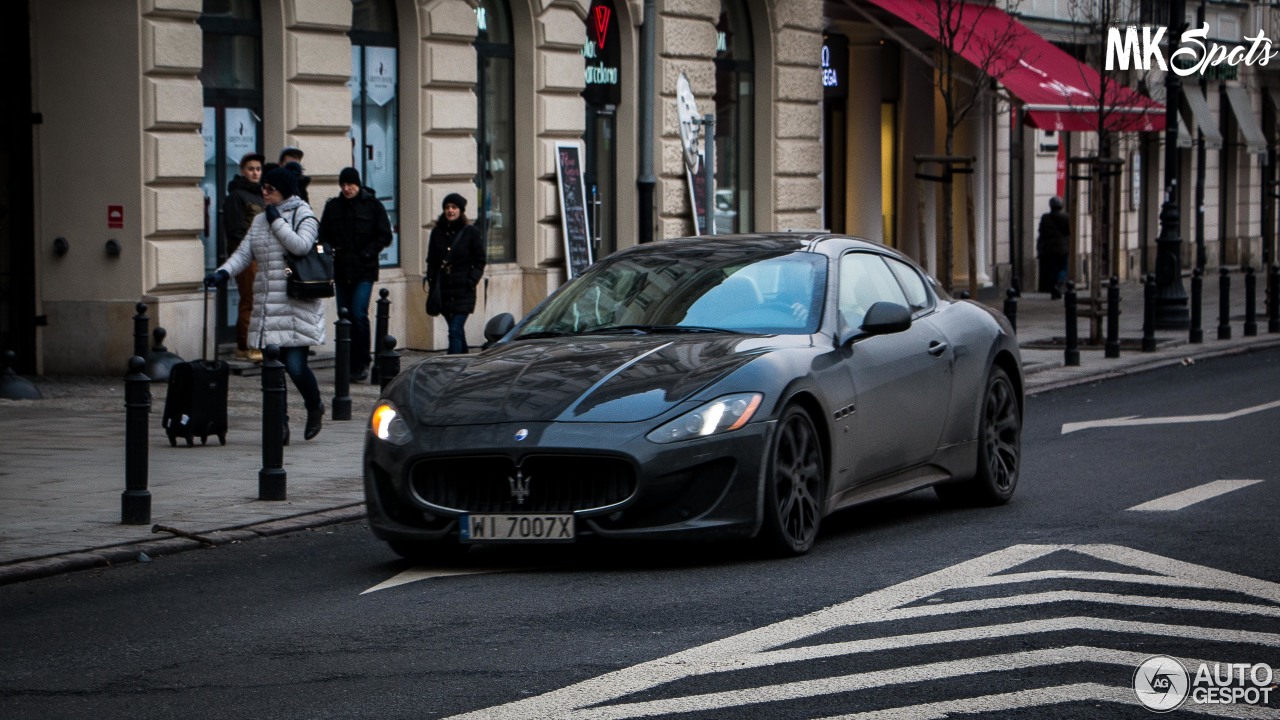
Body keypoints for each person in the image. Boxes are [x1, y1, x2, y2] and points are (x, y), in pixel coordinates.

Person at [205, 165, 326, 442]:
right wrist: (224, 272)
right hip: (268, 305)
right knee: (273, 372)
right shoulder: (261, 220)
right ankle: (279, 425)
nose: (264, 192)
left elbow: (301, 246)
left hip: (297, 305)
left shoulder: (302, 214)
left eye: (269, 188)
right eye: (264, 188)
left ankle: (314, 406)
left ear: (283, 190)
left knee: (295, 367)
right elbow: (244, 252)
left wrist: (277, 221)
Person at [319, 167, 393, 381]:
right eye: (343, 185)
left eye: (350, 184)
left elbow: (385, 236)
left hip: (364, 270)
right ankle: (348, 362)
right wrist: (326, 250)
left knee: (359, 313)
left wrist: (368, 252)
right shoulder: (333, 207)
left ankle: (363, 362)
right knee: (345, 315)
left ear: (358, 184)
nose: (347, 188)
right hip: (341, 269)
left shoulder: (373, 206)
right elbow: (322, 236)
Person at [425, 193, 486, 354]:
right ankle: (464, 365)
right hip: (443, 290)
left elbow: (480, 260)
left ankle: (451, 368)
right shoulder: (437, 233)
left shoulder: (471, 232)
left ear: (461, 211)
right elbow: (431, 260)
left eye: (454, 207)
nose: (450, 211)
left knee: (454, 329)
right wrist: (432, 281)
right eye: (447, 207)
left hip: (463, 290)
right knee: (457, 331)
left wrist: (471, 280)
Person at [222, 152, 265, 362]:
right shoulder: (236, 197)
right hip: (248, 257)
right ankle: (247, 345)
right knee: (250, 300)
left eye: (258, 169)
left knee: (261, 301)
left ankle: (254, 344)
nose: (255, 173)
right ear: (242, 171)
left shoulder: (263, 195)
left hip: (264, 257)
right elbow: (236, 231)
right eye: (251, 169)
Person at [1036, 196, 1070, 299]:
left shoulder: (1045, 218)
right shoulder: (1066, 217)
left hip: (1048, 249)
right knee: (1063, 268)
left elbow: (1041, 231)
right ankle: (1058, 284)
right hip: (1062, 248)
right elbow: (1068, 231)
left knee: (1051, 269)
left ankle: (1053, 289)